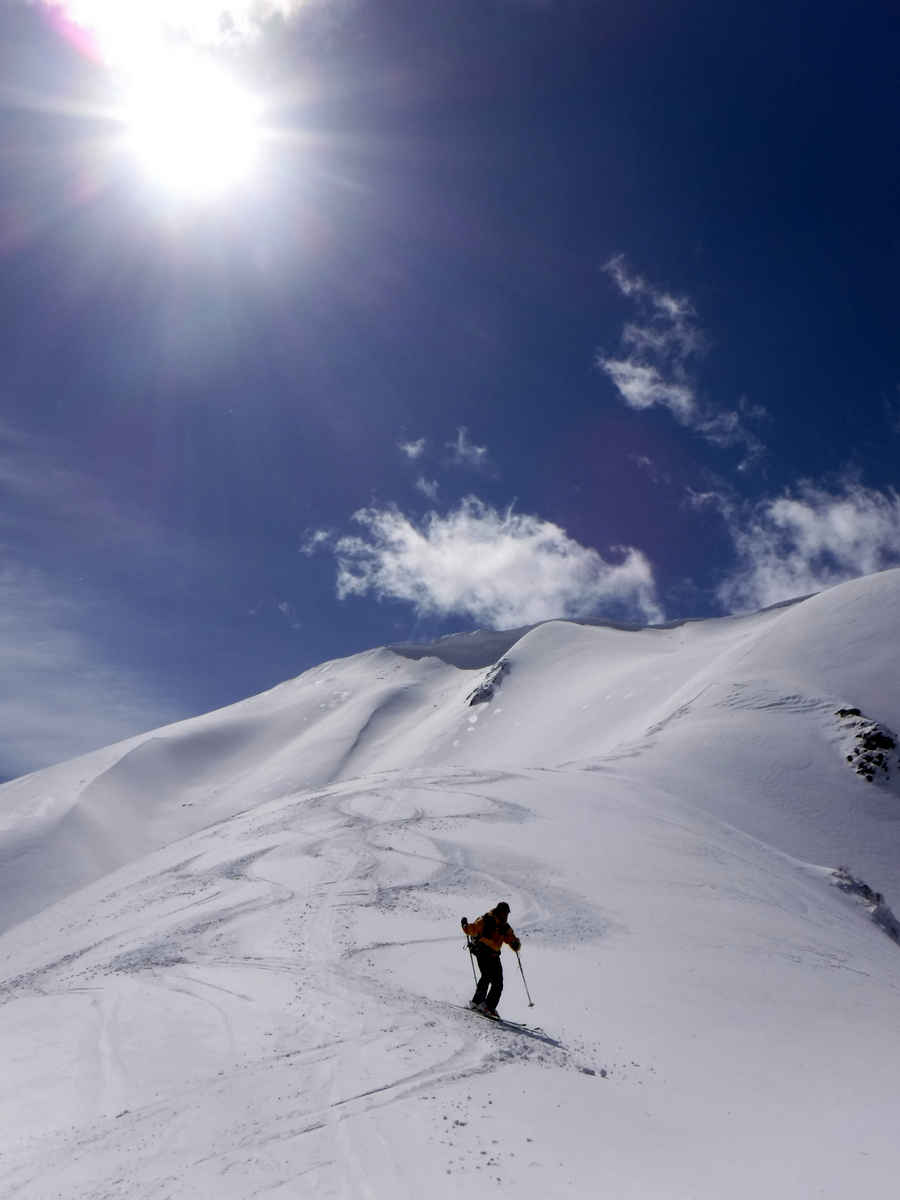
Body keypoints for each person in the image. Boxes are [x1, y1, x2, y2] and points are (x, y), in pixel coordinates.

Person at [460, 902, 521, 1019]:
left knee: (498, 981)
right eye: (504, 913)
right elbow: (473, 929)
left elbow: (511, 939)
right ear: (498, 911)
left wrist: (515, 944)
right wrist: (465, 926)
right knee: (487, 974)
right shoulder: (485, 920)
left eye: (507, 913)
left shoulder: (505, 927)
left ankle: (489, 1006)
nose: (505, 916)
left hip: (493, 954)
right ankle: (477, 1002)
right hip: (481, 949)